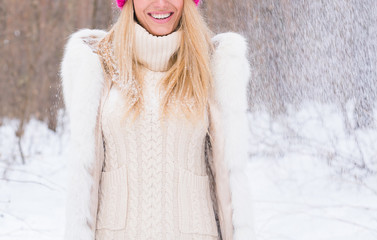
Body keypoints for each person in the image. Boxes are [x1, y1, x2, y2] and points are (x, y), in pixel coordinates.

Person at [61, 0, 256, 239]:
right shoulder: (97, 64)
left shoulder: (213, 65)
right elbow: (85, 180)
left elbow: (228, 184)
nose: (161, 3)